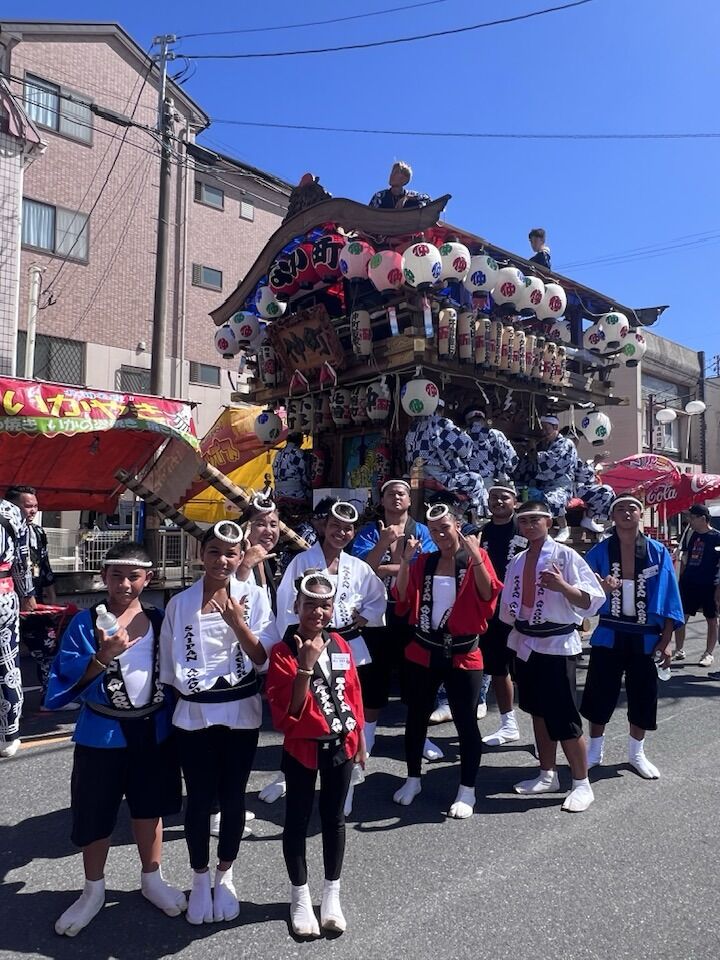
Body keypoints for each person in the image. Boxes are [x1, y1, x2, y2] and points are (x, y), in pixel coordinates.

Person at [45, 542, 185, 936]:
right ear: (103, 577)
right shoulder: (85, 623)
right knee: (95, 813)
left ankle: (152, 877)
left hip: (153, 729)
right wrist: (104, 656)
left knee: (149, 808)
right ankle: (93, 889)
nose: (124, 584)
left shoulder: (161, 620)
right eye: (116, 575)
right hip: (101, 732)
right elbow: (65, 680)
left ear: (148, 578)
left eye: (134, 576)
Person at [159, 520, 277, 925]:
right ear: (200, 554)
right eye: (214, 552)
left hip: (241, 712)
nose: (222, 560)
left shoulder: (255, 597)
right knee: (198, 798)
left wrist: (237, 623)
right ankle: (198, 875)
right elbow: (169, 669)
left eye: (231, 553)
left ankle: (225, 874)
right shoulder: (180, 603)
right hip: (195, 713)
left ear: (242, 556)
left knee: (233, 795)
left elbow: (263, 658)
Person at [266, 571, 366, 937]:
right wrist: (305, 668)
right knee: (297, 820)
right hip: (302, 748)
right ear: (297, 606)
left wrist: (361, 743)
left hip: (341, 745)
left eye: (325, 606)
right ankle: (300, 896)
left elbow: (353, 692)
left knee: (334, 820)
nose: (318, 613)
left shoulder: (340, 643)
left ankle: (332, 894)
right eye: (310, 605)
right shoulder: (282, 652)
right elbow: (286, 716)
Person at [277, 500, 386, 815]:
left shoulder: (358, 566)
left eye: (348, 528)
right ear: (323, 526)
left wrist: (362, 619)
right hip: (309, 644)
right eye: (335, 525)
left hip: (347, 644)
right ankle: (301, 776)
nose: (341, 532)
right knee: (312, 712)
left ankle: (347, 779)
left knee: (348, 711)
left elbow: (378, 598)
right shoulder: (302, 561)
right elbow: (286, 603)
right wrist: (295, 644)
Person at [393, 502, 501, 818]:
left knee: (465, 722)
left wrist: (477, 556)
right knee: (415, 718)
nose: (441, 534)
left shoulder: (474, 559)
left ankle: (467, 789)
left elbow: (487, 595)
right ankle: (413, 778)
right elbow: (402, 597)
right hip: (424, 649)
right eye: (435, 530)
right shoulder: (424, 562)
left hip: (464, 652)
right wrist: (405, 561)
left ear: (457, 526)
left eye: (446, 527)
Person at [499, 501, 606, 812]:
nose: (530, 525)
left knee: (565, 716)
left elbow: (591, 599)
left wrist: (562, 586)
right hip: (525, 643)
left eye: (536, 520)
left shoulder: (565, 555)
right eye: (525, 521)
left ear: (549, 522)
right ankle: (547, 774)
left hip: (557, 645)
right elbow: (509, 605)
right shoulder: (518, 560)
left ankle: (581, 783)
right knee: (537, 711)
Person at [580, 496, 684, 780]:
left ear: (641, 514)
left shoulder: (657, 551)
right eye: (620, 509)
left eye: (632, 509)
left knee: (643, 696)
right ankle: (594, 751)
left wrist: (667, 639)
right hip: (609, 634)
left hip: (645, 637)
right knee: (599, 694)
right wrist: (600, 590)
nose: (626, 513)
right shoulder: (600, 552)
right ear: (612, 516)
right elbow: (582, 593)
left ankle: (636, 754)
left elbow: (669, 597)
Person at [351, 479, 441, 760]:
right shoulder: (370, 531)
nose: (396, 498)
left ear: (409, 499)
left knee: (416, 677)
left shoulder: (423, 531)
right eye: (390, 494)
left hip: (412, 613)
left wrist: (387, 567)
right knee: (373, 676)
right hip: (376, 614)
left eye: (401, 493)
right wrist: (385, 544)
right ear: (382, 500)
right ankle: (368, 735)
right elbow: (363, 568)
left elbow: (424, 567)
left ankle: (419, 735)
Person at [479, 484, 529, 747]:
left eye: (504, 496)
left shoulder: (524, 527)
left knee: (529, 671)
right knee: (498, 670)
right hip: (493, 610)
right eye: (493, 496)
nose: (498, 501)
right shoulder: (482, 532)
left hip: (524, 609)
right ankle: (508, 724)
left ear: (515, 501)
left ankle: (546, 725)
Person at [5, 485, 59, 701]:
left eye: (35, 506)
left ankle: (50, 698)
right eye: (27, 506)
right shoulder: (5, 531)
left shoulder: (37, 532)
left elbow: (44, 566)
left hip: (35, 605)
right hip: (8, 603)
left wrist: (51, 594)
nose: (33, 511)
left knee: (48, 651)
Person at [0, 496, 33, 758]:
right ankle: (9, 733)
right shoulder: (10, 510)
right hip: (4, 595)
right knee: (7, 663)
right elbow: (22, 559)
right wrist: (27, 595)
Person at [405, 405, 486, 511]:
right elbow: (465, 446)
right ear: (440, 410)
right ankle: (471, 515)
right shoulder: (438, 423)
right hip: (438, 476)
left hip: (418, 474)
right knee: (476, 480)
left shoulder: (413, 427)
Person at [673, 504, 720, 667]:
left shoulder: (717, 536)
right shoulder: (692, 536)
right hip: (689, 583)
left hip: (709, 584)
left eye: (692, 517)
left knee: (711, 619)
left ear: (702, 518)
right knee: (681, 617)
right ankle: (679, 649)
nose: (689, 520)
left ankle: (708, 653)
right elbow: (685, 559)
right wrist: (680, 581)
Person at [520, 415, 577, 543]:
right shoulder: (544, 444)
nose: (544, 432)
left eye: (547, 429)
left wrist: (534, 451)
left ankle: (563, 527)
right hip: (543, 485)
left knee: (552, 499)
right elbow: (533, 465)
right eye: (543, 429)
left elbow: (552, 465)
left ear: (556, 427)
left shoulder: (566, 444)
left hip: (561, 485)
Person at [464, 409, 519, 516]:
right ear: (484, 420)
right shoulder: (496, 434)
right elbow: (512, 460)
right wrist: (502, 472)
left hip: (469, 483)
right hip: (493, 482)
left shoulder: (462, 435)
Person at [559, 430, 614, 535]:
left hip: (574, 488)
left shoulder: (571, 455)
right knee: (605, 491)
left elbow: (584, 476)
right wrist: (595, 462)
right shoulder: (566, 454)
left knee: (607, 491)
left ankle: (590, 519)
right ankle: (589, 518)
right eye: (575, 439)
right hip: (568, 489)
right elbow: (583, 476)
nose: (576, 442)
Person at [273, 432, 310, 505]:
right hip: (294, 494)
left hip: (278, 494)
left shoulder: (278, 453)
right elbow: (305, 476)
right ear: (300, 441)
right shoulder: (297, 453)